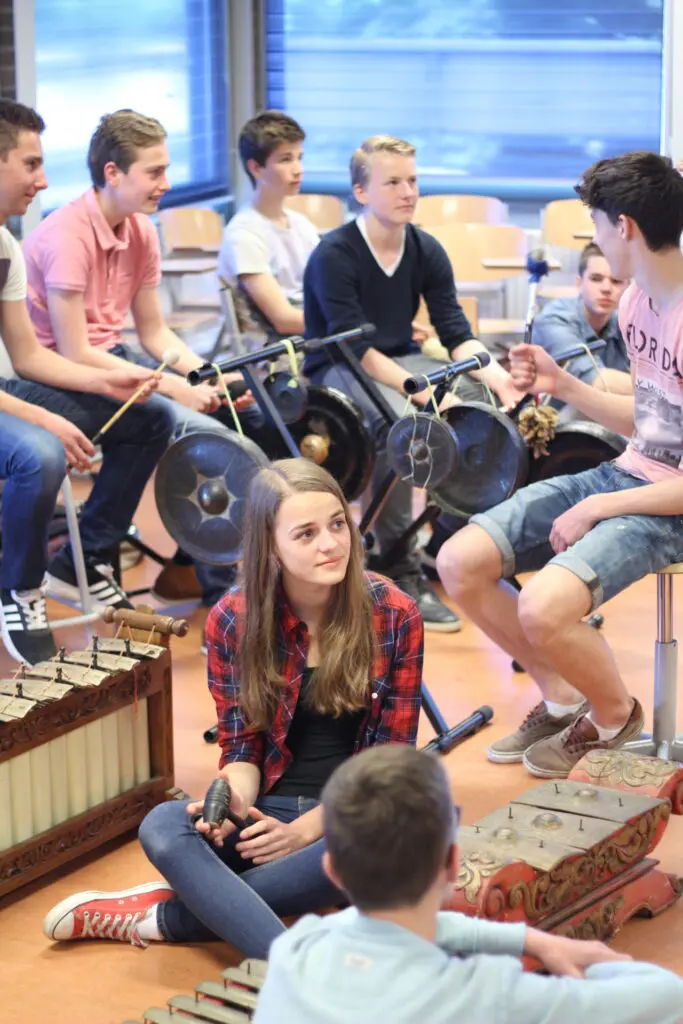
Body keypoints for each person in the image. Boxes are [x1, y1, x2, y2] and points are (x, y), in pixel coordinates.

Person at [42, 459, 424, 957]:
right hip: (266, 814)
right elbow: (241, 748)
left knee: (393, 845)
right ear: (271, 544)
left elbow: (390, 763)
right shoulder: (232, 620)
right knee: (163, 822)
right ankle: (292, 965)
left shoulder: (394, 612)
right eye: (305, 534)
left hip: (354, 816)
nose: (331, 543)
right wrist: (232, 803)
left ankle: (164, 915)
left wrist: (306, 832)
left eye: (337, 523)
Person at [437, 151, 683, 778]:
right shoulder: (637, 306)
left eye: (598, 226)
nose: (596, 240)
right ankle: (562, 699)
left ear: (623, 227)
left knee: (542, 606)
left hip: (668, 506)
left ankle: (612, 717)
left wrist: (600, 504)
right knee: (460, 562)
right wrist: (565, 387)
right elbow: (655, 426)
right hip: (633, 473)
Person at [21, 108, 264, 610]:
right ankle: (226, 605)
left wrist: (201, 373)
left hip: (112, 358)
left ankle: (98, 559)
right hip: (57, 373)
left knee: (242, 414)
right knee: (205, 439)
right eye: (154, 172)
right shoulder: (67, 234)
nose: (166, 183)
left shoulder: (141, 231)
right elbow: (75, 352)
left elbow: (154, 332)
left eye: (166, 169)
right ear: (113, 173)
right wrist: (174, 388)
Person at [253, 744, 683, 1024]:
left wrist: (529, 940)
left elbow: (394, 929)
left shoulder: (297, 948)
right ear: (453, 864)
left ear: (333, 871)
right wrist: (599, 959)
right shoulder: (490, 998)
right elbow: (668, 996)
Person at [303, 135, 527, 632]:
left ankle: (444, 536)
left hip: (400, 357)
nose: (408, 191)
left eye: (412, 180)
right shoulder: (334, 254)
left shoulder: (426, 248)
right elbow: (354, 348)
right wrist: (417, 388)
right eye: (393, 182)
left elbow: (456, 335)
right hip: (336, 366)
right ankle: (396, 562)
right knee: (406, 426)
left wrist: (498, 378)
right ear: (361, 192)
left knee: (481, 409)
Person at [0, 99, 173, 664]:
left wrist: (111, 384)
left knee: (150, 418)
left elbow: (27, 358)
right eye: (30, 164)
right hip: (13, 409)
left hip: (9, 392)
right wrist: (45, 417)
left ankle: (84, 559)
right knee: (41, 455)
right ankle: (21, 591)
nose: (43, 180)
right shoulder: (56, 233)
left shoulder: (5, 248)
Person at [217, 110, 320, 344]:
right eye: (286, 159)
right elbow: (283, 320)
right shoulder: (243, 233)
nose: (298, 169)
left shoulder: (301, 225)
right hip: (279, 354)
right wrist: (347, 322)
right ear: (256, 168)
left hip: (315, 338)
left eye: (299, 158)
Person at [534, 242, 631, 417]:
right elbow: (595, 381)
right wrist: (664, 390)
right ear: (579, 283)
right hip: (550, 426)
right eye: (596, 279)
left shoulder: (626, 323)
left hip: (601, 420)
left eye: (616, 281)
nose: (606, 288)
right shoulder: (554, 320)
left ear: (628, 287)